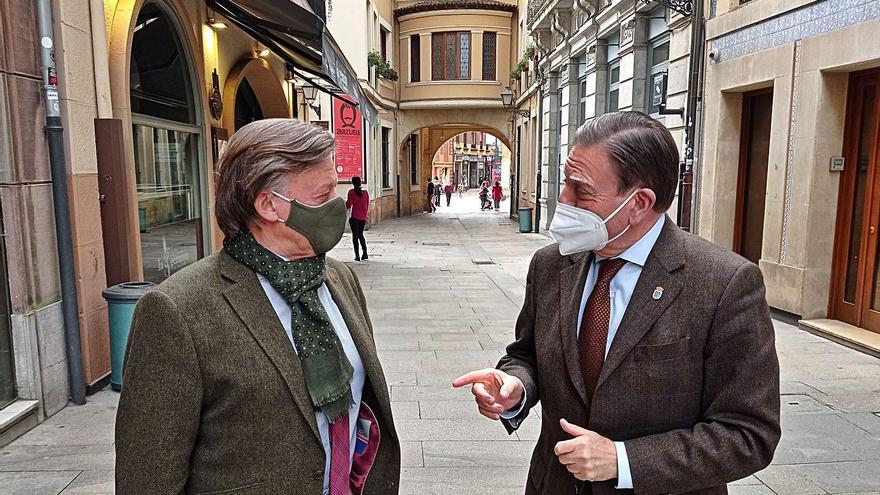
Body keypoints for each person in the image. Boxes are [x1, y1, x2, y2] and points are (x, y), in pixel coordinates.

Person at [453, 112, 780, 494]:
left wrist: (623, 461)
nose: (563, 200)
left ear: (640, 202)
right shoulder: (551, 264)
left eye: (582, 190)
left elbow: (749, 434)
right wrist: (515, 386)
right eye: (565, 183)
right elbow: (527, 355)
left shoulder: (723, 284)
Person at [116, 119, 401, 495]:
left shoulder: (339, 278)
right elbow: (148, 479)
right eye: (322, 195)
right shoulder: (176, 311)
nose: (337, 205)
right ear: (269, 205)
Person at [346, 176, 369, 262]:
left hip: (354, 217)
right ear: (360, 182)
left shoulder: (351, 192)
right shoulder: (365, 193)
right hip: (363, 217)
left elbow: (348, 205)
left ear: (353, 183)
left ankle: (357, 255)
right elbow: (366, 204)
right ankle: (365, 253)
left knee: (355, 236)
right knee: (360, 235)